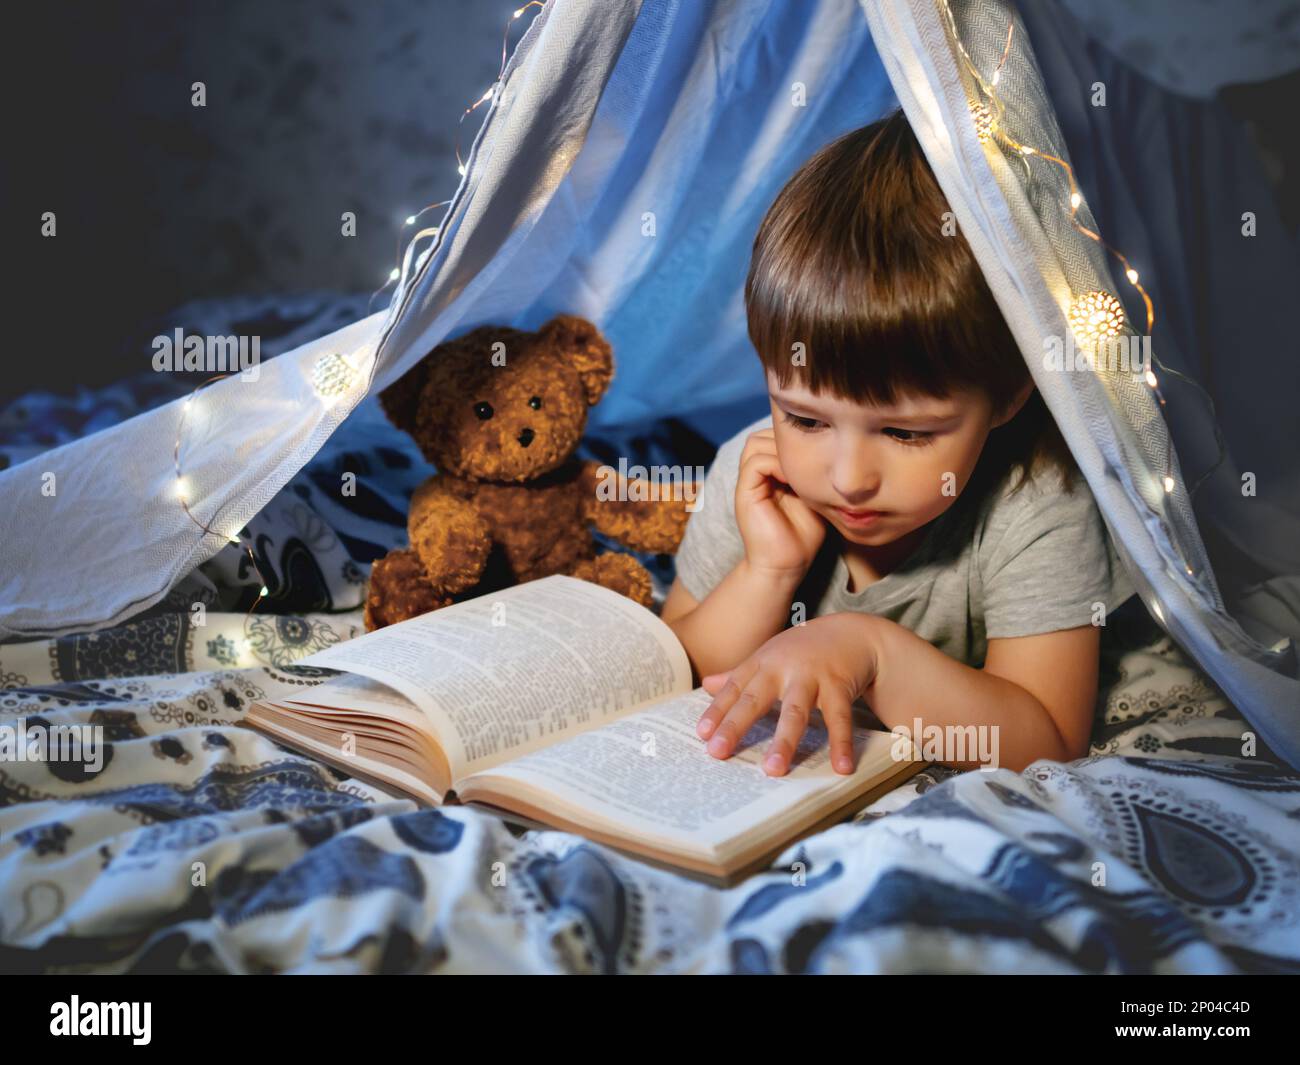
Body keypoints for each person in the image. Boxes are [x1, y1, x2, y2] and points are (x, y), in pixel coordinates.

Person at [661, 109, 1135, 778]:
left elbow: (1049, 741)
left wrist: (870, 653)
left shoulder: (1037, 502)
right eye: (804, 419)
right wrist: (765, 572)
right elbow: (674, 669)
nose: (849, 477)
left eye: (906, 432)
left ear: (1009, 395)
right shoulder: (755, 472)